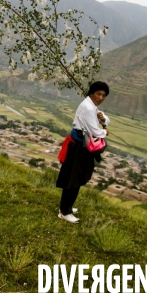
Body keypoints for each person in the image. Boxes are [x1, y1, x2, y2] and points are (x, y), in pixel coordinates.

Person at [56, 81, 110, 223]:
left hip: (82, 145)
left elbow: (103, 119)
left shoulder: (92, 106)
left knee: (76, 178)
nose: (101, 97)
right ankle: (64, 211)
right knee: (73, 178)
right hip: (79, 147)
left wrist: (103, 119)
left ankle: (67, 206)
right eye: (98, 93)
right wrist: (104, 131)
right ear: (91, 93)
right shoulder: (88, 108)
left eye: (104, 95)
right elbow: (94, 131)